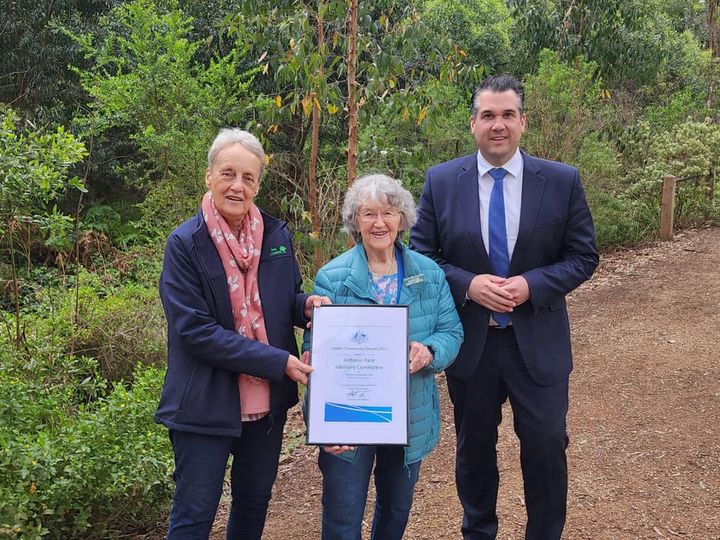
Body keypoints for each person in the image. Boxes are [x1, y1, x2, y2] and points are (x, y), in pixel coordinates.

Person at [410, 75, 599, 540]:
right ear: (473, 123)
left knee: (547, 445)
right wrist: (468, 284)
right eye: (488, 115)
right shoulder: (440, 182)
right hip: (471, 343)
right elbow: (422, 257)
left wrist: (532, 285)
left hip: (538, 342)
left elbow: (583, 256)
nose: (499, 125)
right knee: (474, 450)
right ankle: (479, 531)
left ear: (523, 122)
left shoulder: (560, 181)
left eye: (508, 115)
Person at [155, 128, 328, 539]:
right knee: (195, 515)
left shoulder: (276, 235)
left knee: (252, 509)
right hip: (204, 404)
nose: (238, 185)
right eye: (228, 173)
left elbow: (281, 298)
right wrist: (277, 361)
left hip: (265, 407)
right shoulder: (184, 244)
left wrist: (305, 307)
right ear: (209, 177)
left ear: (258, 184)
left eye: (248, 177)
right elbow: (195, 331)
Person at [304, 174, 464, 540]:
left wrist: (430, 351)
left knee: (395, 512)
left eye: (389, 213)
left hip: (409, 413)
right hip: (348, 419)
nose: (379, 223)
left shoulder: (429, 273)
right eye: (369, 214)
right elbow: (315, 354)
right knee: (342, 517)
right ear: (355, 221)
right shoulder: (332, 277)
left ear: (402, 219)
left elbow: (452, 332)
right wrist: (321, 423)